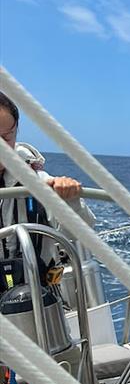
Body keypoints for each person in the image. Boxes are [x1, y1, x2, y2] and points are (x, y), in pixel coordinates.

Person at [0, 91, 85, 288]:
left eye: (6, 138)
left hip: (40, 296)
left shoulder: (38, 182)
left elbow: (81, 232)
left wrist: (71, 200)